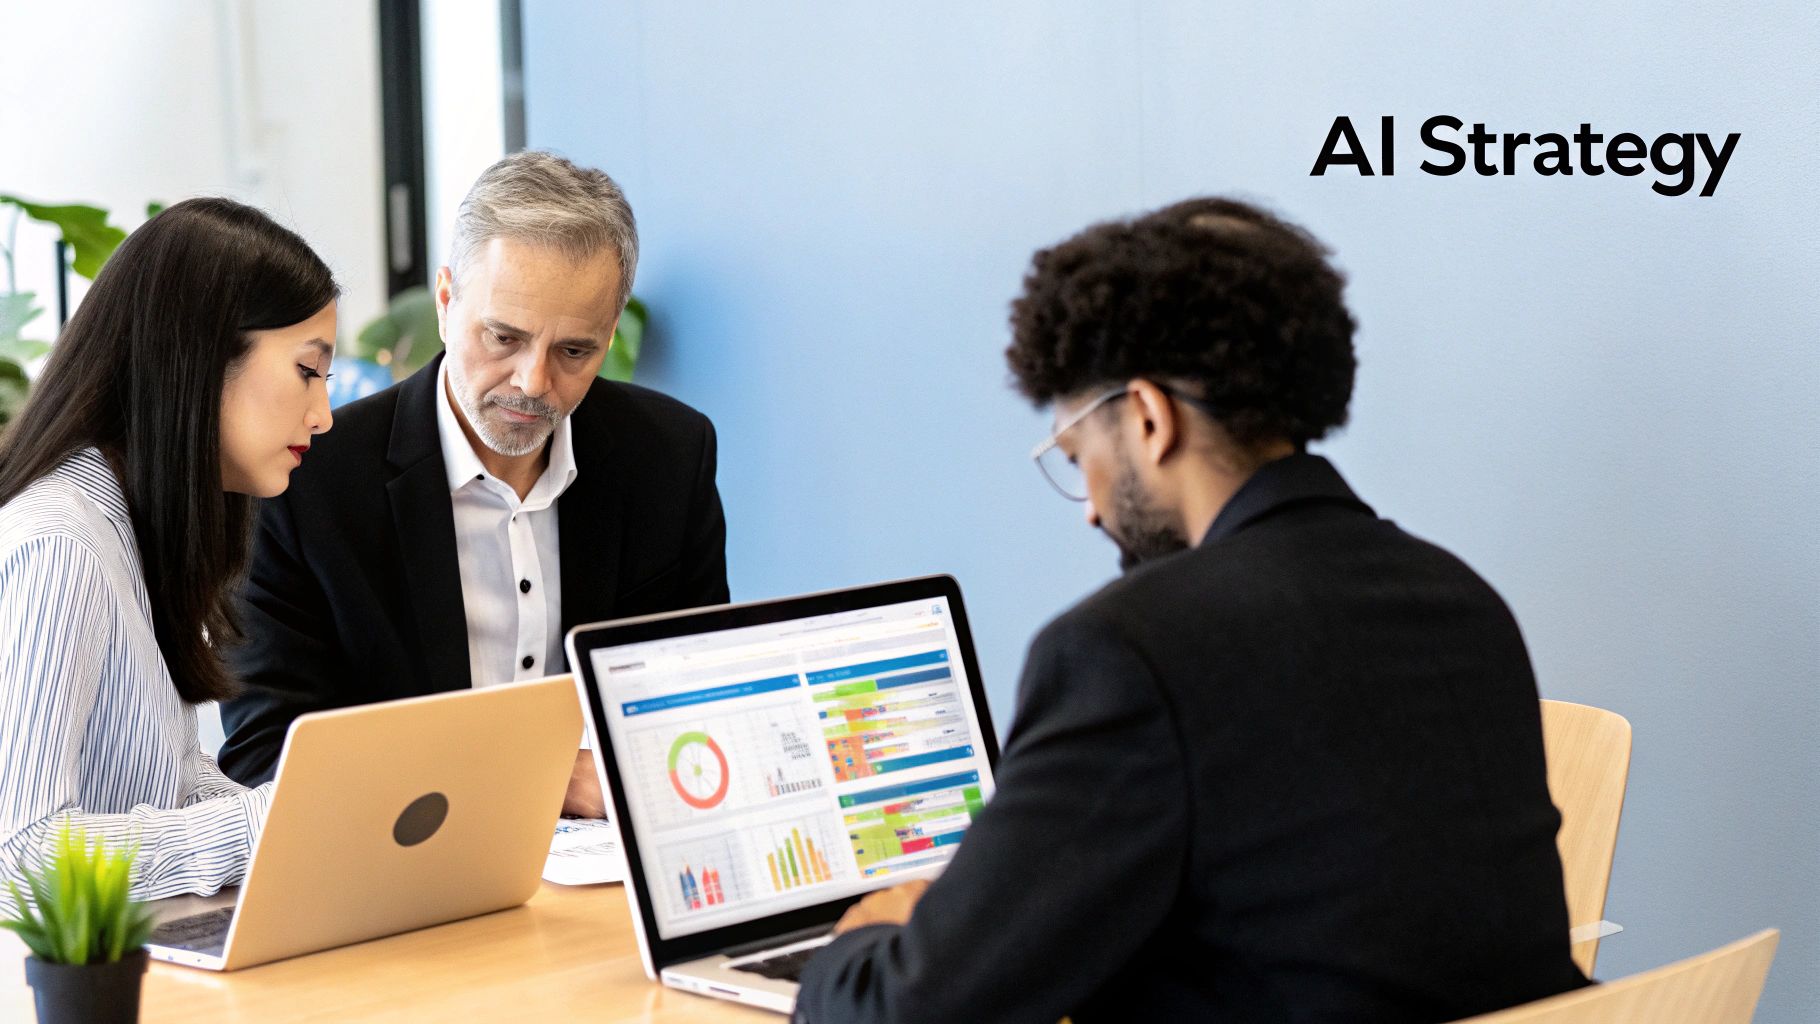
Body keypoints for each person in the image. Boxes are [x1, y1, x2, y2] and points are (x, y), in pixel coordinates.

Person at [794, 198, 1589, 1022]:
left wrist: (865, 937)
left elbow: (909, 1011)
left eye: (1077, 456)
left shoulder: (1129, 651)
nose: (1090, 509)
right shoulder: (1460, 602)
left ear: (1147, 417)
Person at [217, 151, 729, 815]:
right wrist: (543, 780)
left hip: (607, 874)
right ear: (445, 299)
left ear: (610, 331)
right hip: (401, 871)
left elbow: (703, 698)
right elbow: (267, 756)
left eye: (575, 351)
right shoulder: (306, 484)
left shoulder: (668, 455)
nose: (532, 383)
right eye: (504, 337)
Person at [0, 198, 337, 901]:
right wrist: (263, 824)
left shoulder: (135, 530)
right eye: (309, 371)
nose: (323, 414)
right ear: (201, 359)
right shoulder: (62, 546)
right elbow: (22, 855)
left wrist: (310, 818)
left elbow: (171, 781)